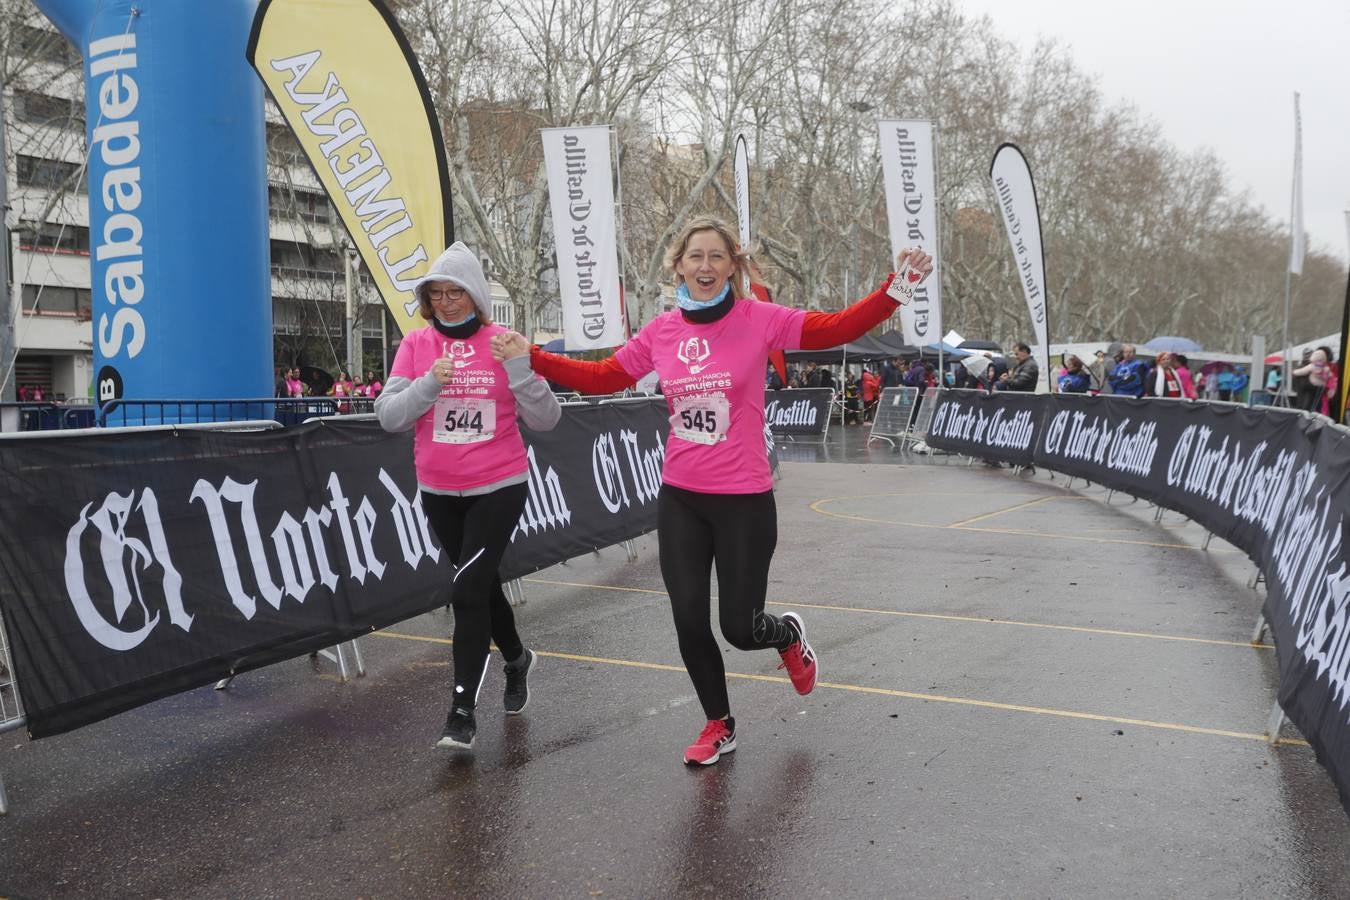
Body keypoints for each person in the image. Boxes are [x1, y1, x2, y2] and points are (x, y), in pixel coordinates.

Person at [493, 216, 933, 766]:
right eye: (695, 257)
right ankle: (718, 724)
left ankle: (785, 635)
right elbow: (606, 376)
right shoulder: (662, 331)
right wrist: (529, 356)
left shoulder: (759, 319)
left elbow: (836, 328)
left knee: (740, 629)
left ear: (734, 266)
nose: (705, 267)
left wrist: (896, 289)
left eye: (717, 257)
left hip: (744, 499)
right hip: (682, 496)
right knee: (688, 620)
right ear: (678, 264)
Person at [375, 241, 562, 752]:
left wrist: (521, 370)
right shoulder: (416, 345)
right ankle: (517, 658)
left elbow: (548, 420)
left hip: (498, 485)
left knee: (465, 591)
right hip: (438, 489)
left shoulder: (504, 342)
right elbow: (389, 416)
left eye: (456, 292)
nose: (446, 302)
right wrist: (428, 387)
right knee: (475, 585)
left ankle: (461, 712)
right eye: (436, 294)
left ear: (476, 295)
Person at [1293, 347, 1339, 416]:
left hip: (1313, 397)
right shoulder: (1326, 367)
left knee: (1313, 409)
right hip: (1312, 396)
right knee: (1314, 409)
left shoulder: (1311, 366)